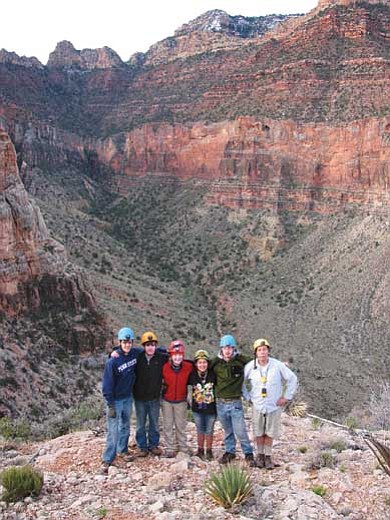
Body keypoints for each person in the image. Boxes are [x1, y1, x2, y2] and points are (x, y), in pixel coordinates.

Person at [243, 338, 298, 469]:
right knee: (258, 432)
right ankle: (260, 455)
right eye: (260, 350)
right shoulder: (250, 366)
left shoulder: (277, 365)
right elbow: (241, 383)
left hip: (273, 406)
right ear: (256, 352)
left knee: (269, 432)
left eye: (265, 350)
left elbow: (292, 379)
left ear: (268, 351)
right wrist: (247, 397)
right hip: (257, 405)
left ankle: (268, 457)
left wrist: (286, 397)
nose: (262, 352)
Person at [210, 334, 255, 466]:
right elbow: (202, 366)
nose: (228, 350)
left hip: (235, 402)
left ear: (234, 348)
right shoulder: (216, 363)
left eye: (230, 347)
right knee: (228, 430)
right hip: (220, 402)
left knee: (240, 430)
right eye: (225, 348)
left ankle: (248, 453)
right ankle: (230, 451)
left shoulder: (241, 360)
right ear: (221, 349)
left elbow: (256, 363)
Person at [101, 327, 138, 473]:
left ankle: (122, 450)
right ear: (120, 342)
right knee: (113, 429)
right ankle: (108, 458)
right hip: (115, 400)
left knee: (125, 425)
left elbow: (151, 350)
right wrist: (110, 404)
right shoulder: (113, 361)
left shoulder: (134, 354)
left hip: (127, 397)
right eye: (124, 342)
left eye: (129, 342)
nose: (127, 344)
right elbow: (107, 385)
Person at [133, 331, 168, 457]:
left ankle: (153, 445)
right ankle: (142, 446)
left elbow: (174, 356)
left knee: (154, 422)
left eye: (152, 344)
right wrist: (114, 352)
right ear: (144, 346)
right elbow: (123, 352)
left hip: (154, 397)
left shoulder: (161, 357)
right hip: (140, 398)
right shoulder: (138, 357)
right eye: (147, 345)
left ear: (155, 346)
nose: (150, 347)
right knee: (140, 424)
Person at [161, 339, 193, 457]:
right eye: (175, 355)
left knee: (181, 425)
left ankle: (183, 448)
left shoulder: (188, 366)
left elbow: (201, 364)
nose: (177, 358)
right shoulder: (164, 367)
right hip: (167, 400)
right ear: (171, 356)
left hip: (181, 401)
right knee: (168, 425)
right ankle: (169, 448)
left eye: (180, 355)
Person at [189, 349, 217, 460]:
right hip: (197, 408)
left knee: (209, 429)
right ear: (196, 364)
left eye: (204, 362)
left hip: (211, 408)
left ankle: (209, 451)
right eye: (199, 362)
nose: (202, 365)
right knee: (200, 429)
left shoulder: (213, 375)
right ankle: (200, 450)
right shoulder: (192, 375)